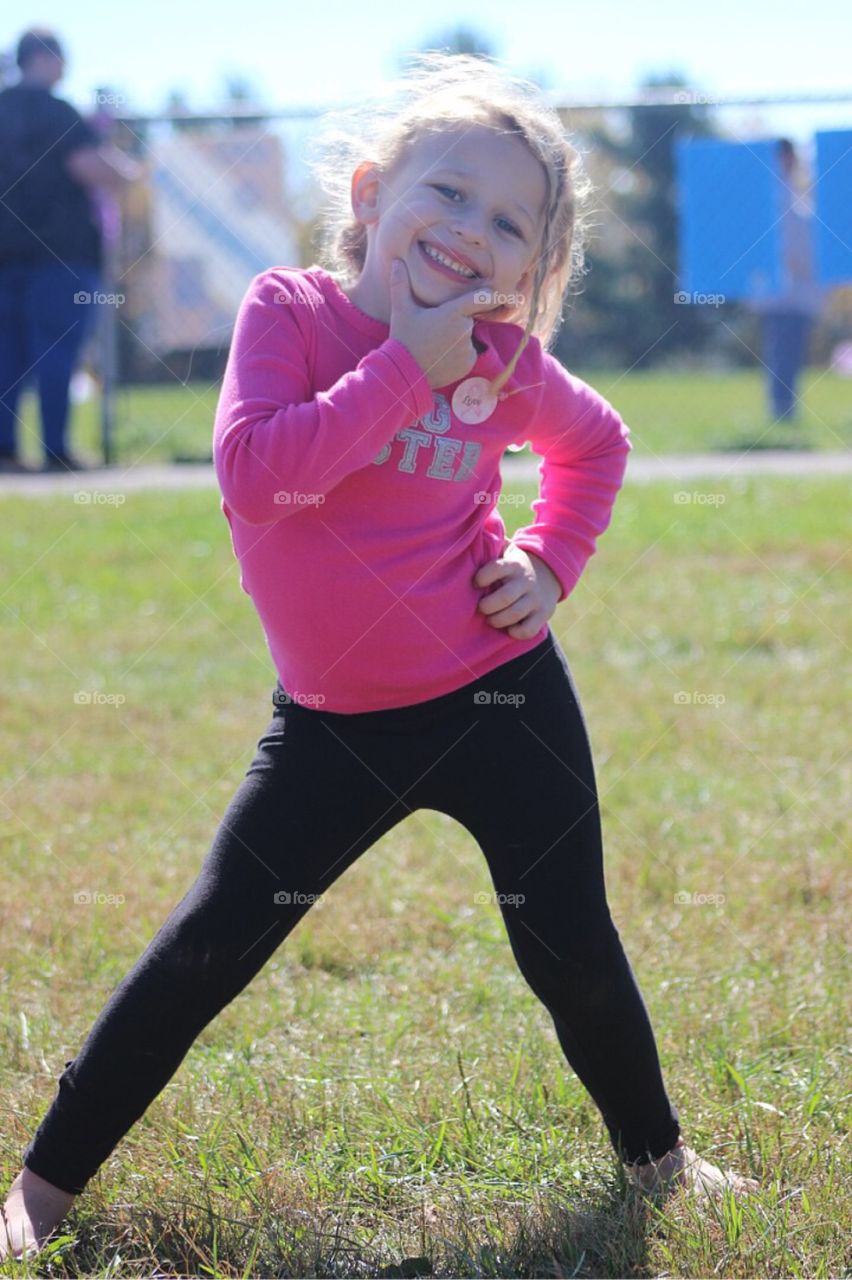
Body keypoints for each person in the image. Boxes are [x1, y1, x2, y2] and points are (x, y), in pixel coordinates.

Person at [1, 52, 760, 1263]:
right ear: (370, 194)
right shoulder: (291, 314)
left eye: (509, 222)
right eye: (447, 193)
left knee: (566, 937)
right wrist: (408, 363)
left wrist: (552, 561)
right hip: (333, 724)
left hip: (500, 696)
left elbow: (598, 445)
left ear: (532, 270)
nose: (470, 231)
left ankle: (661, 1160)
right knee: (206, 947)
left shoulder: (506, 363)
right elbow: (262, 478)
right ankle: (40, 1190)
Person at [0, 27, 141, 474]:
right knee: (56, 353)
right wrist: (130, 170)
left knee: (8, 356)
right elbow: (89, 166)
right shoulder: (58, 112)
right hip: (61, 256)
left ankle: (5, 451)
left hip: (6, 258)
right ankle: (55, 449)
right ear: (46, 59)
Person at [751, 138, 824, 424]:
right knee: (783, 358)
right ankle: (782, 414)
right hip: (782, 296)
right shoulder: (775, 197)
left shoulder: (791, 194)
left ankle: (784, 413)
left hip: (794, 295)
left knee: (787, 358)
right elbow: (797, 248)